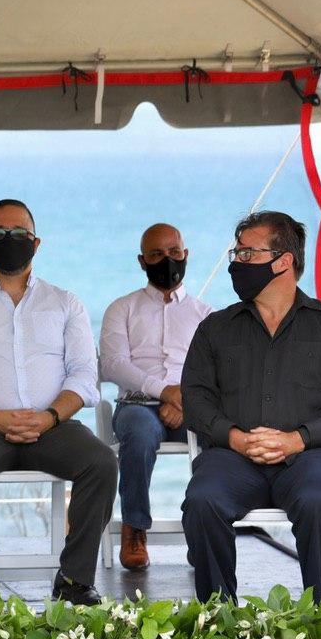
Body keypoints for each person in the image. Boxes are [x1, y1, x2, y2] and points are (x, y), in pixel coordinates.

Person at [0, 199, 116, 605]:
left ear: (36, 242)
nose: (8, 239)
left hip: (52, 426)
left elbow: (84, 375)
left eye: (18, 233)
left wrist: (49, 417)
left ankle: (74, 580)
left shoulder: (66, 303)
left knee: (102, 463)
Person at [182, 211, 321, 601]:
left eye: (247, 253)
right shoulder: (215, 329)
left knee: (318, 501)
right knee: (202, 501)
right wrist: (235, 438)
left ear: (283, 261)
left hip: (314, 456)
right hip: (233, 458)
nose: (236, 263)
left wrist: (296, 440)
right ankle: (218, 619)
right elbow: (195, 400)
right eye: (236, 253)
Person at [99, 223, 211, 570]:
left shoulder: (205, 314)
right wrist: (164, 392)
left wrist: (185, 401)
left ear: (186, 255)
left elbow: (216, 373)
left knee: (217, 437)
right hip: (137, 405)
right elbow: (113, 364)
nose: (167, 260)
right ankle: (134, 528)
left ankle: (202, 529)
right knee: (138, 433)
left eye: (174, 252)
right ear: (142, 261)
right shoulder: (122, 308)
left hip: (190, 406)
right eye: (156, 254)